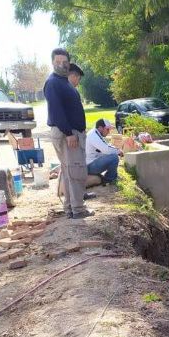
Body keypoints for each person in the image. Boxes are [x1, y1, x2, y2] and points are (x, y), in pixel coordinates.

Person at [43, 48, 92, 219]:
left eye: (64, 62)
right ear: (52, 62)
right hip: (67, 135)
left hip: (70, 133)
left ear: (68, 63)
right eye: (58, 62)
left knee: (71, 172)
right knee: (76, 172)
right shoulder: (53, 83)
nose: (61, 65)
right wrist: (69, 133)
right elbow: (57, 111)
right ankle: (78, 209)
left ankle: (71, 208)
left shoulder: (63, 82)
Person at [86, 118, 123, 185]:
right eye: (107, 129)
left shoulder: (95, 133)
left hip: (91, 163)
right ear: (100, 128)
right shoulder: (93, 135)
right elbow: (106, 149)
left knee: (111, 155)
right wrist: (118, 151)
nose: (108, 131)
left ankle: (110, 176)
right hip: (89, 166)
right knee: (114, 157)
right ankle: (108, 179)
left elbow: (106, 146)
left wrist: (115, 150)